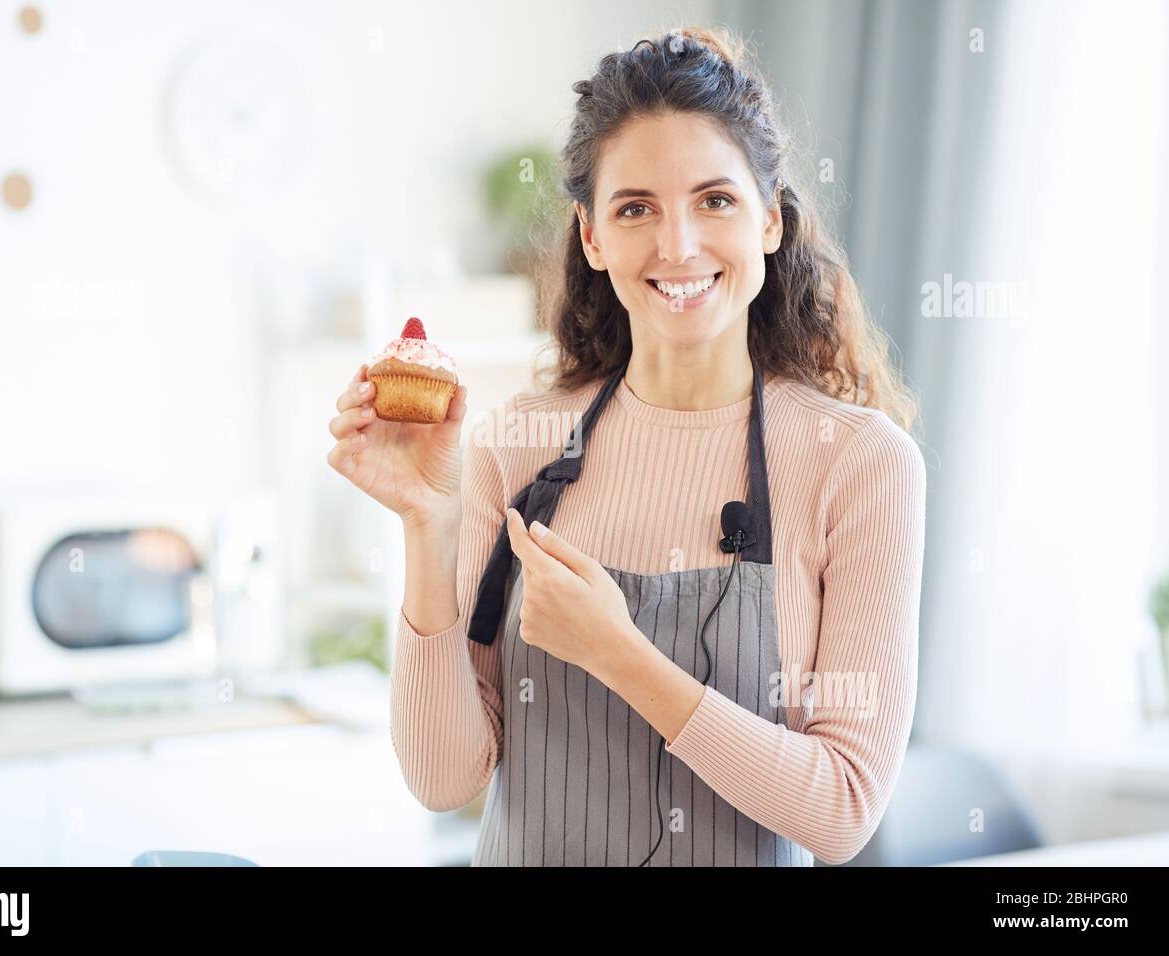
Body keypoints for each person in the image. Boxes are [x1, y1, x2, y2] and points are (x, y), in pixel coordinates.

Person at [326, 25, 926, 867]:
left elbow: (841, 809)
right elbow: (443, 777)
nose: (676, 245)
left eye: (714, 200)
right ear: (593, 236)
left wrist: (619, 655)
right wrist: (429, 528)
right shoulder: (520, 448)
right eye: (635, 207)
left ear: (768, 219)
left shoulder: (859, 463)